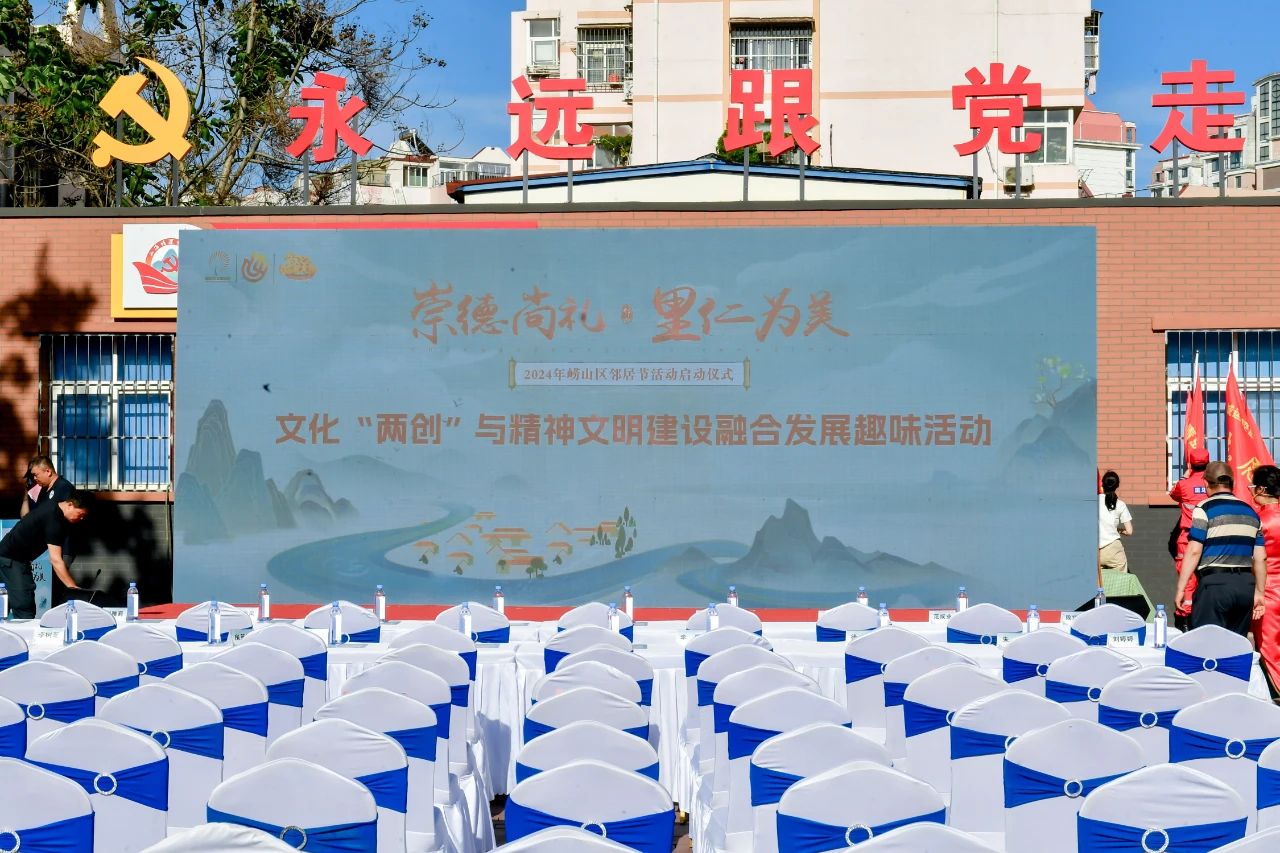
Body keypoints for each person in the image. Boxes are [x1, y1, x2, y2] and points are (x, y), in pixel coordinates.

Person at [1175, 461, 1266, 635]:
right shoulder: (1251, 512)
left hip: (1214, 586)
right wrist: (1259, 592)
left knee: (1208, 642)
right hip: (1245, 586)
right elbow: (1260, 558)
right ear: (1232, 483)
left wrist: (1181, 588)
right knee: (1236, 643)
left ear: (1205, 483)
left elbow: (1194, 551)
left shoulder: (1204, 509)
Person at [0, 490, 90, 618]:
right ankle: (25, 631)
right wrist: (74, 589)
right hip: (11, 559)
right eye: (80, 514)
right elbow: (55, 560)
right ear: (70, 505)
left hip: (12, 557)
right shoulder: (53, 517)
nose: (81, 519)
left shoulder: (53, 509)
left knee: (7, 602)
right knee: (24, 606)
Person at [1169, 447, 1211, 628]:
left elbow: (1173, 494)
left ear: (1190, 464)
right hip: (1209, 538)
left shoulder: (1184, 485)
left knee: (1187, 580)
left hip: (1187, 538)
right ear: (1208, 463)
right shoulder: (1212, 485)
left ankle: (1184, 621)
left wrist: (1185, 476)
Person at [1251, 465, 1280, 689]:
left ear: (1261, 489)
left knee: (1269, 647)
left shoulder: (1258, 521)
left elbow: (1255, 558)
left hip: (1267, 590)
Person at [1098, 471, 1133, 583]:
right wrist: (1119, 530)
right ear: (1117, 486)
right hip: (1113, 549)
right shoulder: (1120, 504)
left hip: (1095, 550)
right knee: (1122, 581)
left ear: (1102, 484)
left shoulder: (1092, 501)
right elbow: (1129, 531)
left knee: (1098, 582)